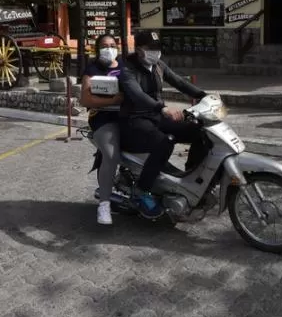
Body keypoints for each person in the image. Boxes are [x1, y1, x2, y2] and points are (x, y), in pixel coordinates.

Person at [118, 31, 208, 218]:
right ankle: (141, 192)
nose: (156, 52)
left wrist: (204, 95)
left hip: (156, 116)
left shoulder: (158, 65)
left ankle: (190, 177)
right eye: (151, 48)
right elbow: (137, 95)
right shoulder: (126, 68)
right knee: (164, 142)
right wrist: (162, 108)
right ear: (139, 49)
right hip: (134, 119)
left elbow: (180, 82)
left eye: (158, 48)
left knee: (200, 131)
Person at [79, 35, 124, 225]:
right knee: (111, 155)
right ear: (97, 49)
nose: (109, 49)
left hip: (128, 116)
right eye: (105, 46)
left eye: (113, 45)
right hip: (103, 117)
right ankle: (104, 204)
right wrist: (113, 100)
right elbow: (86, 99)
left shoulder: (124, 65)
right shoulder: (92, 69)